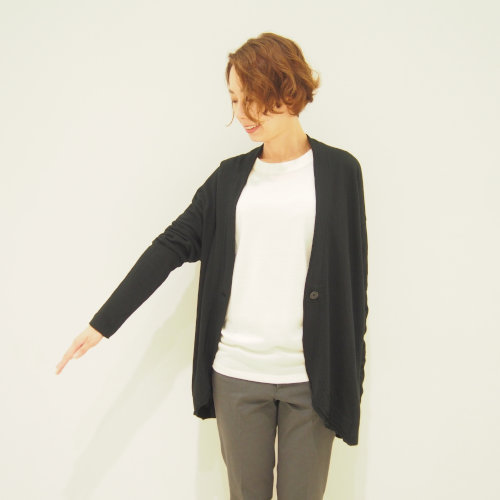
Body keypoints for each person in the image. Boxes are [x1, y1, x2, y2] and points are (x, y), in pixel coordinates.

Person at [56, 32, 369, 500]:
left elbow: (355, 284)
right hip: (238, 373)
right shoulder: (228, 180)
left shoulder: (341, 171)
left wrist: (352, 375)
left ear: (289, 90)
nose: (242, 113)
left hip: (312, 378)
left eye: (253, 97)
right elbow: (170, 246)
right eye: (235, 99)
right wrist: (104, 322)